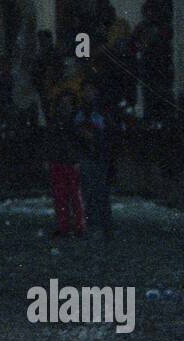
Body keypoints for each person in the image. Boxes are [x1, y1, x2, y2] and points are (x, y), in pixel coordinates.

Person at [74, 83, 113, 242]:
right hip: (87, 155)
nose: (88, 93)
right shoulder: (81, 110)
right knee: (89, 192)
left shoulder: (102, 110)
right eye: (86, 90)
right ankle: (94, 224)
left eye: (91, 90)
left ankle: (104, 225)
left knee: (100, 191)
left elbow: (108, 131)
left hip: (99, 155)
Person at [45, 92, 84, 238]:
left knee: (75, 196)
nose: (65, 105)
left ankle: (79, 226)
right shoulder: (55, 120)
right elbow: (50, 140)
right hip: (58, 161)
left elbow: (79, 141)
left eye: (68, 102)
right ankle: (64, 226)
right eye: (63, 102)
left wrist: (77, 159)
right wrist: (49, 158)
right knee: (60, 196)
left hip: (71, 162)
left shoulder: (76, 119)